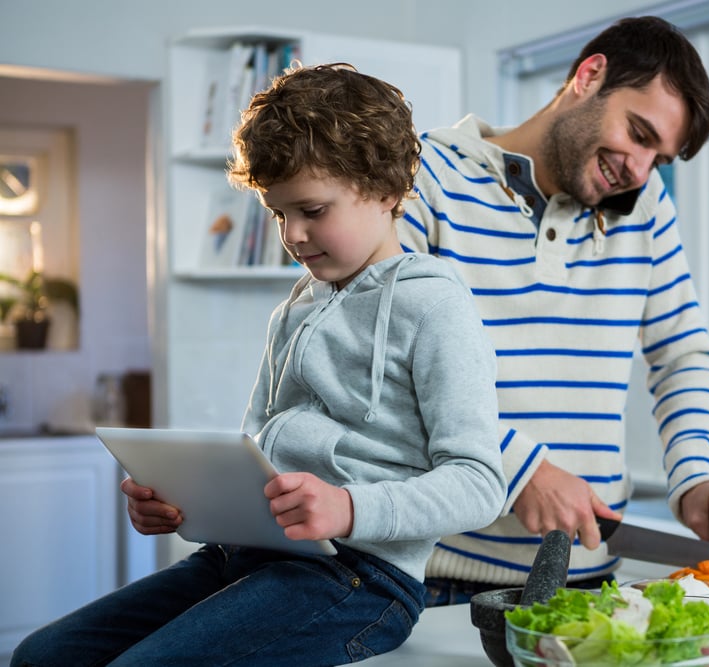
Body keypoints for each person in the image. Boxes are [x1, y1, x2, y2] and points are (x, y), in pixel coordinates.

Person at [12, 64, 505, 666]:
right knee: (41, 656)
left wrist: (349, 508)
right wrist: (183, 501)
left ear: (386, 189)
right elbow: (256, 447)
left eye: (313, 210)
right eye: (278, 214)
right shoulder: (295, 307)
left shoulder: (436, 306)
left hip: (362, 579)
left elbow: (481, 483)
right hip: (241, 556)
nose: (293, 234)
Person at [397, 15, 709, 606]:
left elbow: (682, 352)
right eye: (639, 133)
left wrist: (699, 474)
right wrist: (518, 468)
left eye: (658, 157)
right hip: (440, 577)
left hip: (590, 580)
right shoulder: (424, 177)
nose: (639, 170)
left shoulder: (644, 206)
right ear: (589, 77)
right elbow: (388, 367)